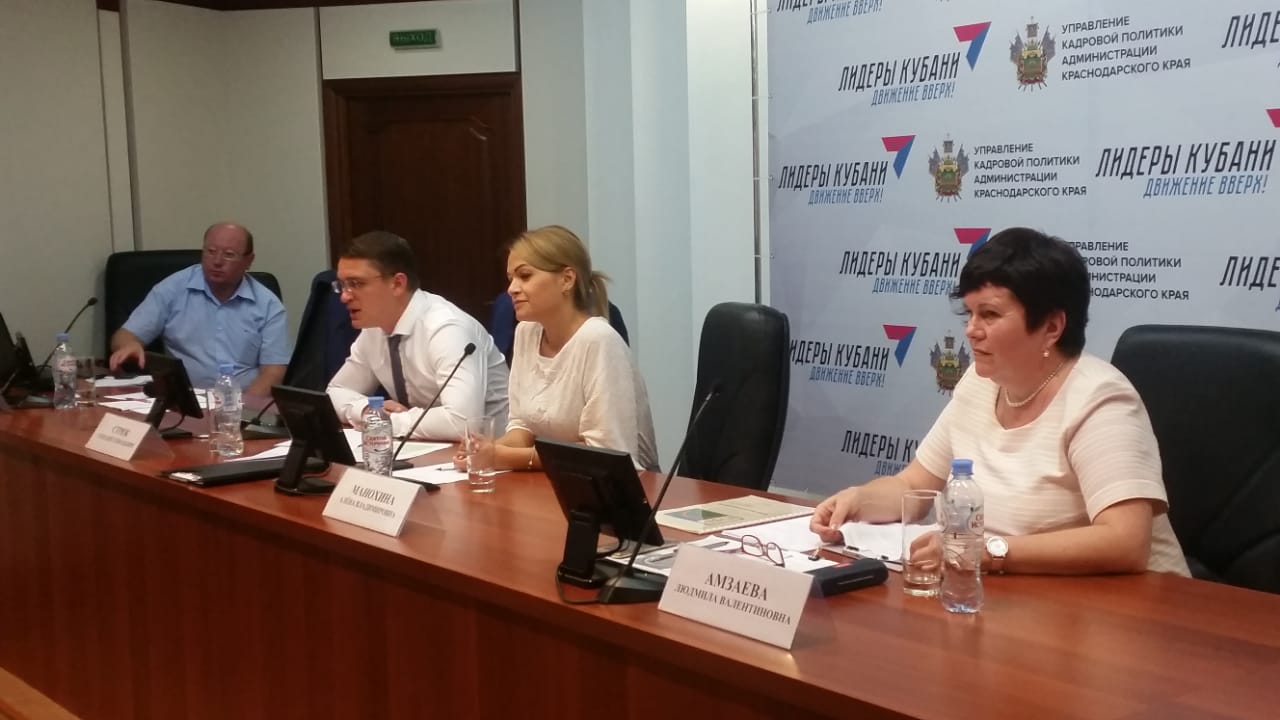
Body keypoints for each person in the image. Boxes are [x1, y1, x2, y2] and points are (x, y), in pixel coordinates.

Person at [810, 227, 1189, 576]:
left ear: (1051, 327)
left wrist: (987, 551)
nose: (971, 330)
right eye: (969, 313)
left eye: (989, 314)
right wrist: (859, 500)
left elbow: (1125, 542)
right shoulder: (979, 382)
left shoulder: (1100, 399)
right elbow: (914, 485)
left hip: (1133, 608)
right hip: (1017, 596)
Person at [467, 225, 659, 472]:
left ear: (567, 279)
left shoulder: (599, 340)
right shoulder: (526, 332)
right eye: (511, 278)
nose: (511, 289)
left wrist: (504, 457)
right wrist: (485, 450)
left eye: (525, 276)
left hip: (619, 486)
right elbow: (522, 426)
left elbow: (605, 453)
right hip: (552, 478)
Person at [326, 231, 509, 441]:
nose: (344, 297)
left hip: (492, 451)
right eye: (342, 285)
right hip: (426, 447)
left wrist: (384, 422)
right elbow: (336, 391)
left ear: (397, 283)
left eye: (356, 284)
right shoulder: (374, 330)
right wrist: (366, 410)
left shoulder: (446, 328)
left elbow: (462, 422)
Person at [108, 222, 288, 396]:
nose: (217, 261)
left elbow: (274, 372)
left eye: (229, 254)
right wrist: (130, 345)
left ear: (249, 260)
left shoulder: (268, 305)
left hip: (243, 400)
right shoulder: (173, 289)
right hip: (185, 400)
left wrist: (242, 409)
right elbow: (123, 336)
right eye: (211, 251)